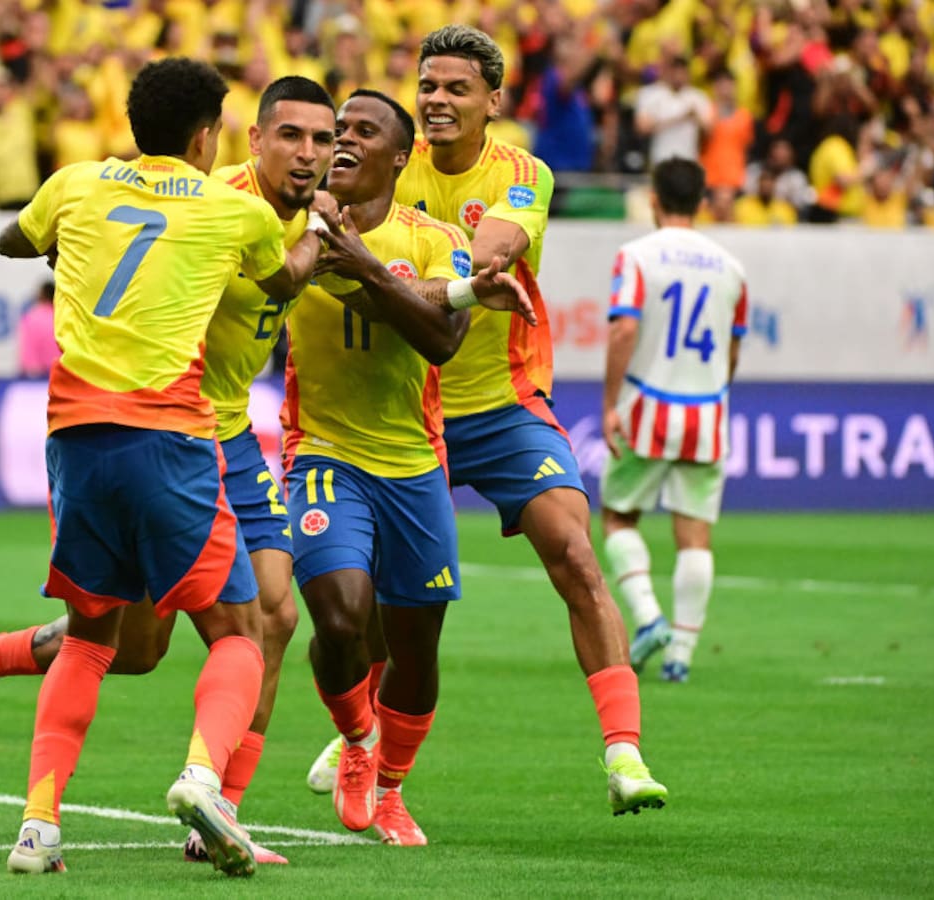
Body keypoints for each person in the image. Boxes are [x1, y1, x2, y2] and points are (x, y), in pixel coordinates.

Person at [0, 75, 337, 869]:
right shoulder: (232, 206)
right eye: (290, 135)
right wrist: (323, 232)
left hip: (81, 434)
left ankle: (44, 824)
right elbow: (285, 276)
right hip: (176, 435)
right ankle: (192, 774)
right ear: (220, 137)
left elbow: (14, 240)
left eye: (323, 140)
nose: (310, 153)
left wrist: (70, 242)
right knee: (207, 636)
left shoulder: (77, 183)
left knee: (237, 621)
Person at [307, 24, 669, 818]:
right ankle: (359, 734)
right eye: (428, 87)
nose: (437, 101)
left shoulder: (520, 173)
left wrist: (434, 275)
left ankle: (624, 753)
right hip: (402, 414)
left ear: (493, 102)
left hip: (504, 405)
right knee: (366, 604)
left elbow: (492, 255)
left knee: (575, 552)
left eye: (456, 89)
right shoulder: (386, 169)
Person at [286, 87, 510, 847]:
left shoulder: (435, 237)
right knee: (342, 616)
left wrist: (367, 268)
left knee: (416, 651)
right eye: (336, 130)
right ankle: (355, 742)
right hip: (322, 452)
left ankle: (391, 788)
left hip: (414, 467)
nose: (342, 142)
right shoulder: (291, 228)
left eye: (362, 132)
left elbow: (442, 340)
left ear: (400, 155)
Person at [600, 157, 748, 685]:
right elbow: (732, 347)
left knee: (619, 517)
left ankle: (649, 618)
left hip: (648, 404)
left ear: (655, 200)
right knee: (695, 536)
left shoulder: (637, 256)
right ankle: (681, 652)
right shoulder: (732, 268)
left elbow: (623, 331)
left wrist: (610, 403)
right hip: (707, 410)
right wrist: (716, 390)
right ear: (703, 201)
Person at [16, 280, 59, 378]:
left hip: (36, 376)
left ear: (41, 296)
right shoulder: (64, 317)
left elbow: (27, 351)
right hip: (62, 374)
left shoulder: (31, 317)